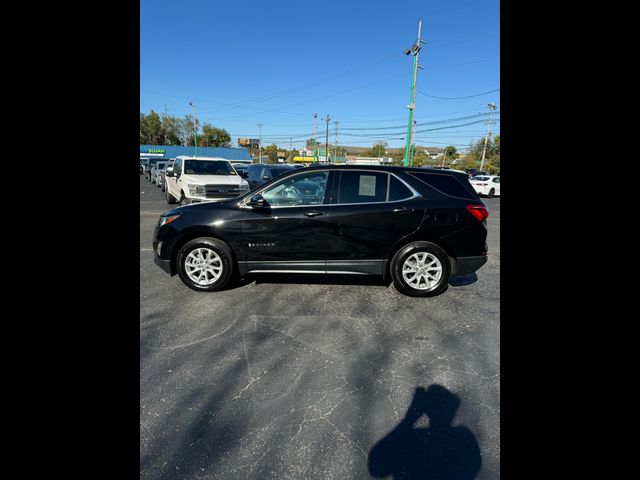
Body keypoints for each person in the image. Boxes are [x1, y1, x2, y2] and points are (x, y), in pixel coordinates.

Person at [368, 385, 481, 480]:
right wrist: (409, 419)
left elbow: (377, 468)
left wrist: (410, 419)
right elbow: (376, 467)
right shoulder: (461, 437)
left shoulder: (411, 439)